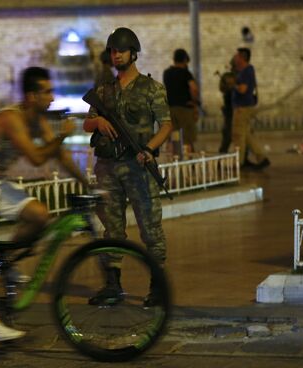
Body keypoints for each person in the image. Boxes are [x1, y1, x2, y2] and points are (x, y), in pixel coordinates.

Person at [0, 67, 89, 345]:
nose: (52, 97)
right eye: (46, 91)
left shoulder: (37, 119)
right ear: (31, 95)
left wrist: (88, 183)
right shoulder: (11, 119)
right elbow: (37, 158)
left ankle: (5, 262)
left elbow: (58, 154)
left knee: (39, 216)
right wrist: (63, 135)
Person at [83, 27, 172, 307]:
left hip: (138, 166)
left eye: (120, 51)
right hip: (108, 168)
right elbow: (87, 123)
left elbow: (167, 124)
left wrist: (149, 149)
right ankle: (112, 285)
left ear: (133, 53)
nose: (116, 55)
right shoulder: (103, 91)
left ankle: (157, 286)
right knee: (112, 229)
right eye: (112, 51)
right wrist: (97, 122)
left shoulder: (151, 89)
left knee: (150, 228)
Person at [231, 47, 270, 169]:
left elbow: (243, 89)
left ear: (242, 58)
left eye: (237, 56)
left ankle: (239, 163)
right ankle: (262, 158)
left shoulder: (247, 71)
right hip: (245, 107)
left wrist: (233, 84)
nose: (235, 58)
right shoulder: (245, 70)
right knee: (247, 136)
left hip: (242, 108)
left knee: (238, 136)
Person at [163, 48, 200, 156]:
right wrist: (194, 102)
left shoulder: (167, 73)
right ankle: (188, 162)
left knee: (174, 137)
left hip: (170, 109)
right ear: (185, 60)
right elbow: (194, 89)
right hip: (184, 109)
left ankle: (175, 160)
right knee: (187, 138)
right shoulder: (185, 73)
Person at [218, 58, 236, 154]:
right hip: (230, 112)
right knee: (227, 136)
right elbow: (222, 87)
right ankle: (222, 156)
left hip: (234, 111)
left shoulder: (235, 76)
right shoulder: (228, 77)